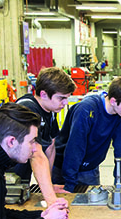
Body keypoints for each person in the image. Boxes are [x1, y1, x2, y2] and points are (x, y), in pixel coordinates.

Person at [52, 77, 121, 192]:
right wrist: (69, 185)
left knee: (93, 206)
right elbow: (75, 148)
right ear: (113, 101)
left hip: (89, 168)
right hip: (64, 168)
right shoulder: (86, 110)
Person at [9, 67, 76, 205]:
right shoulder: (26, 109)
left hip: (22, 179)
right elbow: (36, 154)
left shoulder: (50, 111)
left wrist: (49, 185)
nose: (65, 103)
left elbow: (50, 147)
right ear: (44, 94)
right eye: (61, 98)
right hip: (7, 178)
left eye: (67, 98)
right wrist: (52, 201)